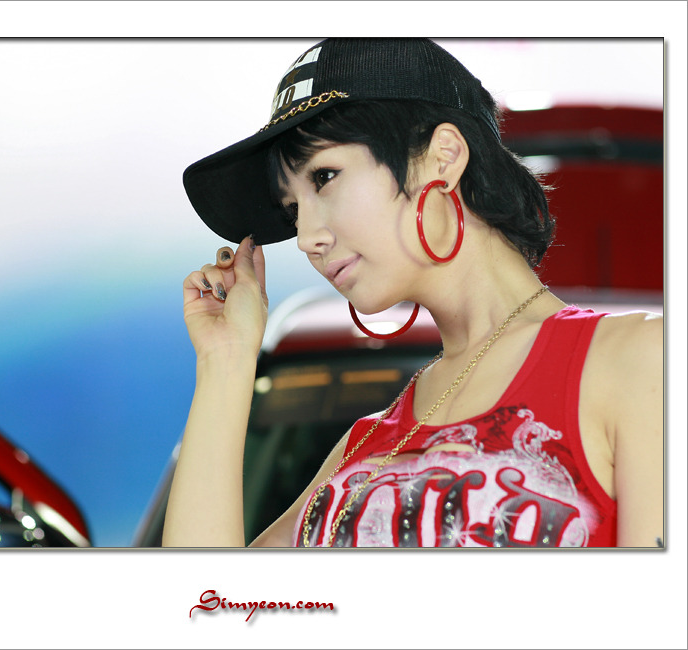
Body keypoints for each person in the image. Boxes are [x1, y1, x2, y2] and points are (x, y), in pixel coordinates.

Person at [163, 38, 663, 548]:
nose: (306, 237)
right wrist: (225, 361)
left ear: (443, 155)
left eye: (325, 176)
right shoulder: (360, 450)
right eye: (293, 209)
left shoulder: (640, 361)